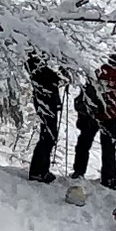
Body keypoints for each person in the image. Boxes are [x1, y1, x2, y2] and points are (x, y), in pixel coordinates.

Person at [71, 49, 116, 188]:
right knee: (108, 150)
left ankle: (79, 172)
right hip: (108, 117)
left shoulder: (99, 72)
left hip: (93, 116)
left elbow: (86, 93)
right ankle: (109, 180)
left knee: (84, 145)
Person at [25, 50, 64, 182]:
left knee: (48, 136)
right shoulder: (36, 67)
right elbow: (51, 78)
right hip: (45, 103)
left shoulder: (35, 66)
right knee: (48, 137)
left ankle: (42, 170)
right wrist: (61, 75)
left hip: (47, 102)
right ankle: (38, 172)